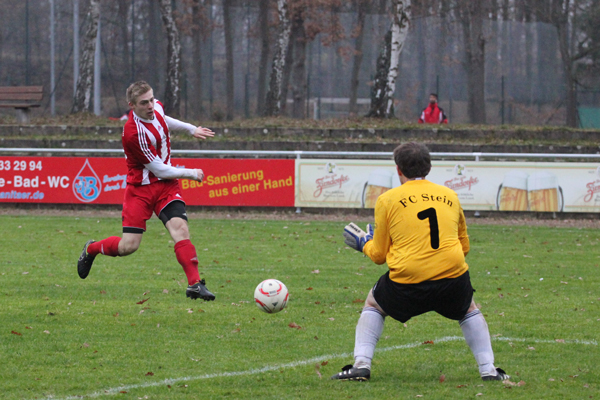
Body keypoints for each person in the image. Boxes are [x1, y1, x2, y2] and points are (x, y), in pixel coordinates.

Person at [332, 142, 508, 382]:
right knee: (468, 309)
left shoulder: (387, 200)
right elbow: (464, 246)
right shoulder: (451, 196)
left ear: (398, 170)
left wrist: (364, 242)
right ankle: (488, 370)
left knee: (374, 304)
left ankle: (361, 365)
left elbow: (379, 256)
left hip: (408, 280)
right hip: (452, 276)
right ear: (429, 168)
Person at [77, 81, 216, 301]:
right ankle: (92, 249)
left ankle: (195, 285)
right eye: (144, 103)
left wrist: (191, 129)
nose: (151, 105)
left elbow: (164, 119)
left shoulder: (156, 107)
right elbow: (157, 168)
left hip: (166, 186)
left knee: (180, 229)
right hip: (140, 190)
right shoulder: (133, 133)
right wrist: (190, 173)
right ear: (131, 105)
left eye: (152, 99)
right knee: (128, 246)